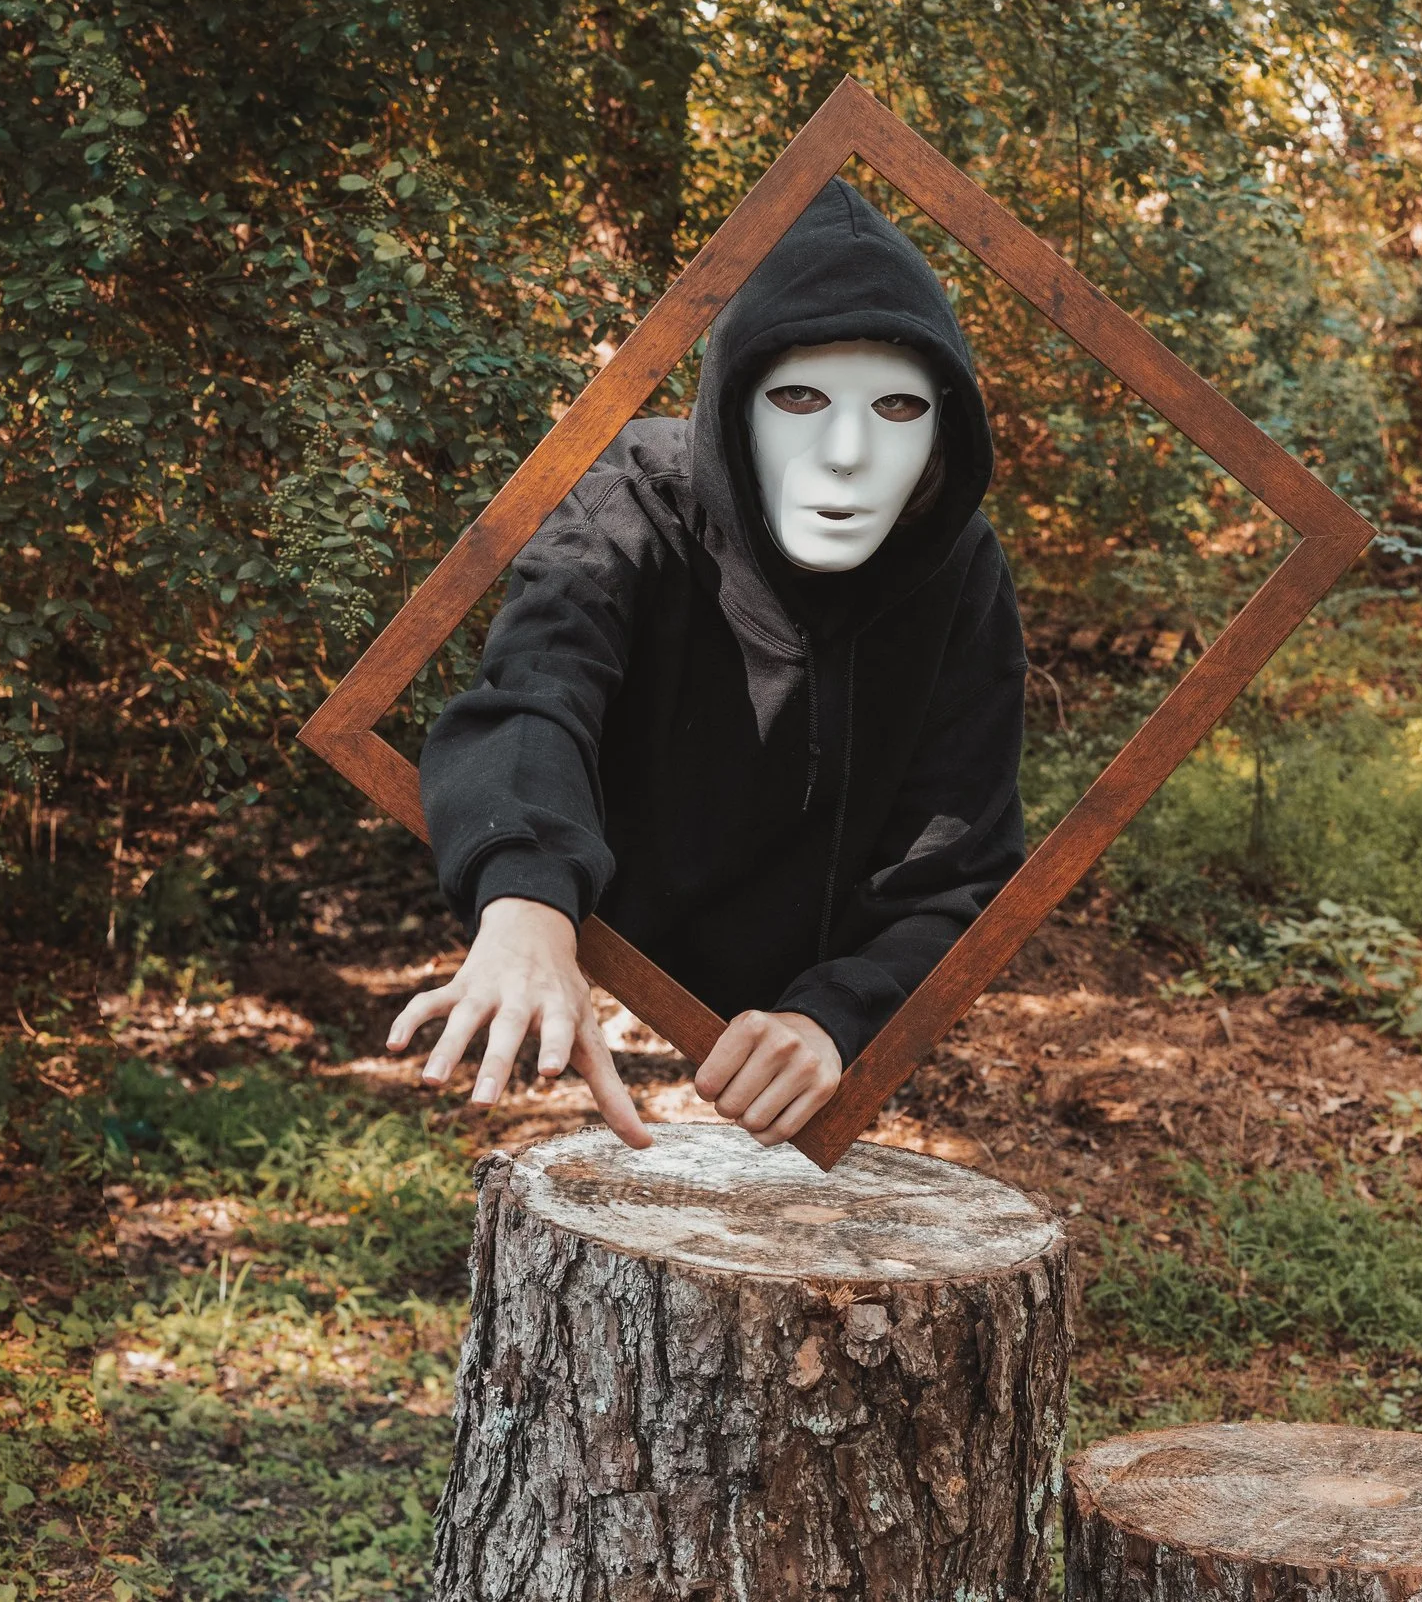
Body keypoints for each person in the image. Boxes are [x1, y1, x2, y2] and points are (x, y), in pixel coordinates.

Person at [389, 178, 1027, 1148]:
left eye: (896, 406)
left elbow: (954, 860)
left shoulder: (960, 565)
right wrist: (524, 900)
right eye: (801, 398)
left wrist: (835, 1013)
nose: (849, 451)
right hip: (622, 918)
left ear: (946, 430)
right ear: (734, 406)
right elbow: (533, 696)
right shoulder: (631, 499)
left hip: (795, 1042)